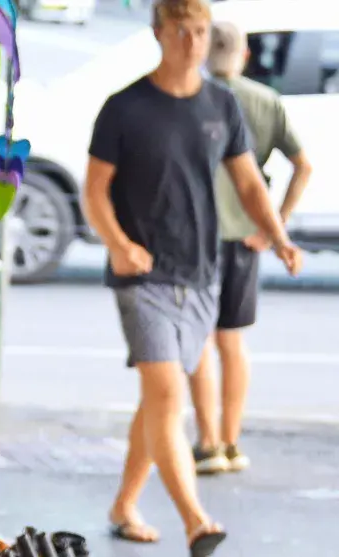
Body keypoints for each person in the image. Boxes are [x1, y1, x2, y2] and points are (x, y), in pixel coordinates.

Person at [81, 0, 303, 555]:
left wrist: (278, 235)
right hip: (144, 278)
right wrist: (120, 245)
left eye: (201, 31)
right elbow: (93, 192)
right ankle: (195, 520)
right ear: (158, 34)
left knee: (158, 402)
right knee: (167, 396)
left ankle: (124, 505)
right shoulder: (125, 108)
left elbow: (250, 185)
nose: (193, 41)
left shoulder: (220, 104)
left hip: (203, 276)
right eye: (181, 30)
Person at [189, 21, 313, 475]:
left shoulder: (191, 99)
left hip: (195, 238)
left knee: (198, 341)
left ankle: (206, 444)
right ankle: (231, 441)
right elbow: (303, 166)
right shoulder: (265, 101)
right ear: (243, 56)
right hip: (245, 235)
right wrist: (276, 224)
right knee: (231, 341)